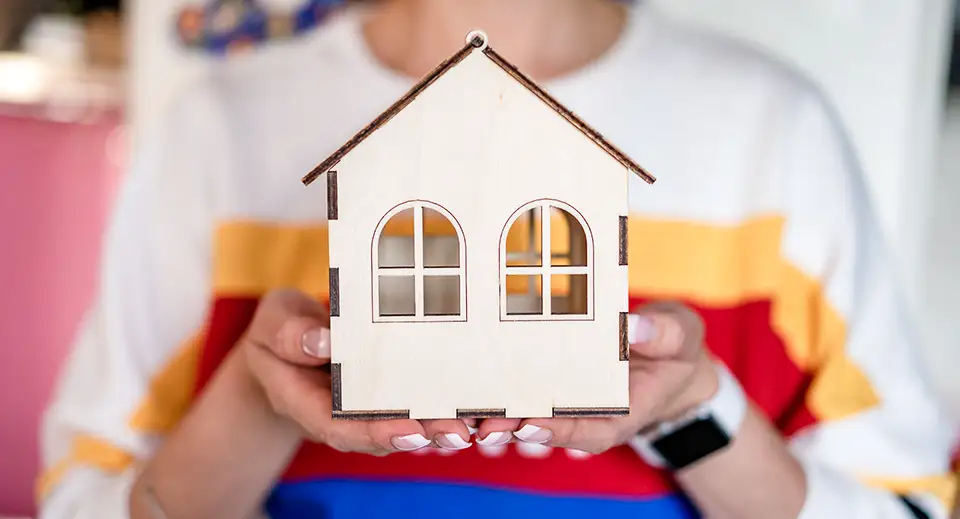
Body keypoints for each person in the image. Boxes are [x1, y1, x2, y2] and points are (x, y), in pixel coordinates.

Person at [37, 0, 958, 518]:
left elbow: (912, 506)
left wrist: (693, 411)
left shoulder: (774, 132)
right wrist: (259, 393)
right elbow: (81, 501)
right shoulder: (218, 132)